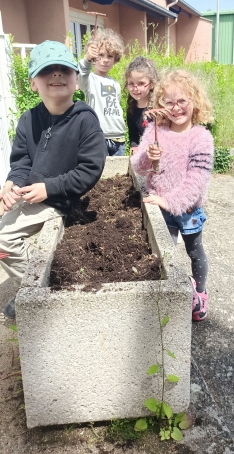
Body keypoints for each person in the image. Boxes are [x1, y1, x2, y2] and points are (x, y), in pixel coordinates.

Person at [0, 40, 106, 319]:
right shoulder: (28, 120)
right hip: (30, 194)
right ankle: (34, 288)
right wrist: (12, 184)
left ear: (76, 78)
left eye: (64, 69)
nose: (57, 75)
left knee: (2, 239)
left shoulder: (85, 120)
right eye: (48, 70)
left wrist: (50, 188)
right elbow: (21, 162)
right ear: (34, 82)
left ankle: (39, 293)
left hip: (61, 199)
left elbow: (90, 169)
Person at [131, 69, 214, 321]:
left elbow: (195, 182)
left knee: (194, 251)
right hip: (157, 204)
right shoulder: (156, 131)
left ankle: (200, 291)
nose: (175, 108)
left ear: (195, 103)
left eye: (182, 101)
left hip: (187, 209)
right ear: (159, 105)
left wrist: (169, 201)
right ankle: (163, 294)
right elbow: (138, 166)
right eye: (168, 102)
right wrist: (148, 157)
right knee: (161, 253)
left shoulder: (201, 138)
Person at [78, 28, 126, 156]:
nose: (105, 60)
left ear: (115, 59)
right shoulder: (89, 80)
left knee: (119, 174)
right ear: (94, 57)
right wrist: (87, 59)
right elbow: (81, 75)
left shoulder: (115, 83)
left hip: (119, 137)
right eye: (100, 55)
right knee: (99, 173)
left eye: (110, 56)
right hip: (98, 136)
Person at [125, 56, 158, 154]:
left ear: (151, 84)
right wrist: (134, 146)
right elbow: (133, 134)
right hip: (146, 154)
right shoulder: (131, 110)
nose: (135, 88)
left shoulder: (158, 107)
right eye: (131, 83)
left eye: (141, 83)